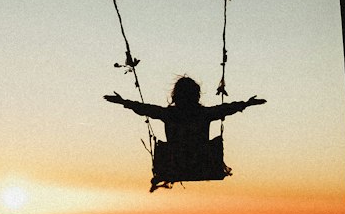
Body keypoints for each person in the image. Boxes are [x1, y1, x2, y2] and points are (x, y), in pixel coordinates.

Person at [105, 75, 265, 187]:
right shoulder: (204, 114)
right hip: (202, 164)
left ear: (175, 95)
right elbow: (227, 109)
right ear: (196, 96)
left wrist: (123, 102)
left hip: (175, 164)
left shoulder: (168, 114)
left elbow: (144, 109)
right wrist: (247, 103)